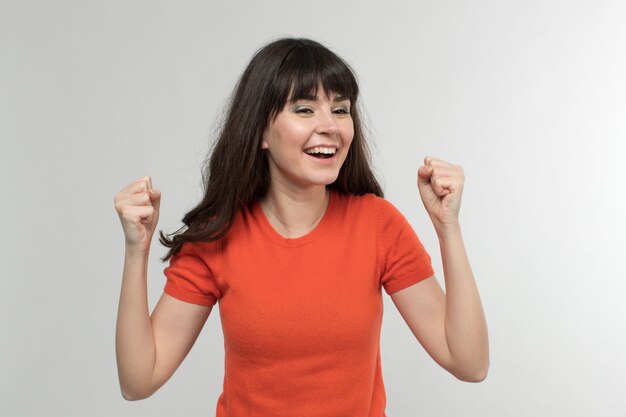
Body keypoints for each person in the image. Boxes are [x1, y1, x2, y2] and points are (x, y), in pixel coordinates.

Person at [114, 37, 489, 416]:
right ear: (261, 131)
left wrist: (448, 227)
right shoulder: (219, 235)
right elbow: (138, 381)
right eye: (305, 109)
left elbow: (469, 363)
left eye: (340, 109)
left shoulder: (377, 224)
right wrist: (136, 251)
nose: (330, 126)